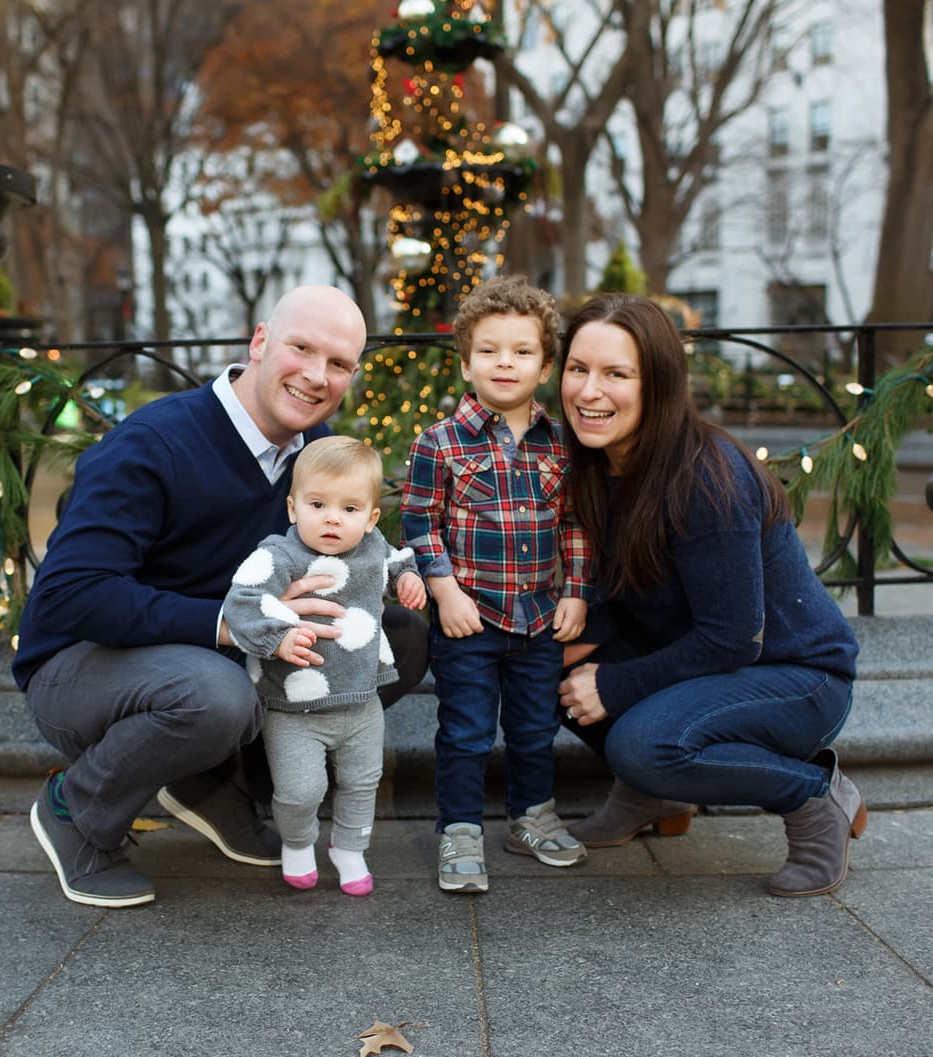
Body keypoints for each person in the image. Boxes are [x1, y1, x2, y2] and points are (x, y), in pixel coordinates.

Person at [15, 285, 430, 908]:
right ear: (260, 341)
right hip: (85, 669)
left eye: (340, 364)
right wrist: (239, 625)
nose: (317, 377)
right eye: (302, 348)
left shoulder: (311, 458)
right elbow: (72, 596)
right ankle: (76, 808)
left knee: (390, 637)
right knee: (215, 695)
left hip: (210, 658)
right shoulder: (154, 442)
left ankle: (217, 787)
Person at [556, 292, 863, 898]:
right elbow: (625, 596)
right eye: (577, 369)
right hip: (703, 661)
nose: (589, 392)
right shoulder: (594, 462)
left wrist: (613, 684)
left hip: (794, 675)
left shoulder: (705, 475)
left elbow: (733, 638)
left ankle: (812, 795)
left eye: (617, 374)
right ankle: (648, 795)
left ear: (659, 384)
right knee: (531, 658)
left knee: (646, 742)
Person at [401, 275, 592, 894]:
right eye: (488, 350)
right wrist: (444, 590)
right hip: (469, 621)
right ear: (465, 362)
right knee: (465, 731)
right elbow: (420, 522)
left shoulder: (561, 446)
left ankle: (530, 816)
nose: (504, 363)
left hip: (539, 619)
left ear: (544, 365)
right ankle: (458, 830)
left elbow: (575, 523)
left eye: (521, 351)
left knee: (536, 728)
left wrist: (576, 591)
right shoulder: (440, 443)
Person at [223, 437, 426, 896]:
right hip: (294, 705)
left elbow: (396, 561)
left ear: (371, 518)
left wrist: (408, 578)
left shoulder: (372, 545)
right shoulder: (280, 555)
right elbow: (242, 600)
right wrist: (278, 637)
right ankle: (297, 841)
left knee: (362, 782)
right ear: (294, 508)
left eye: (350, 509)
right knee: (300, 789)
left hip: (360, 702)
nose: (333, 517)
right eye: (318, 504)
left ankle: (350, 849)